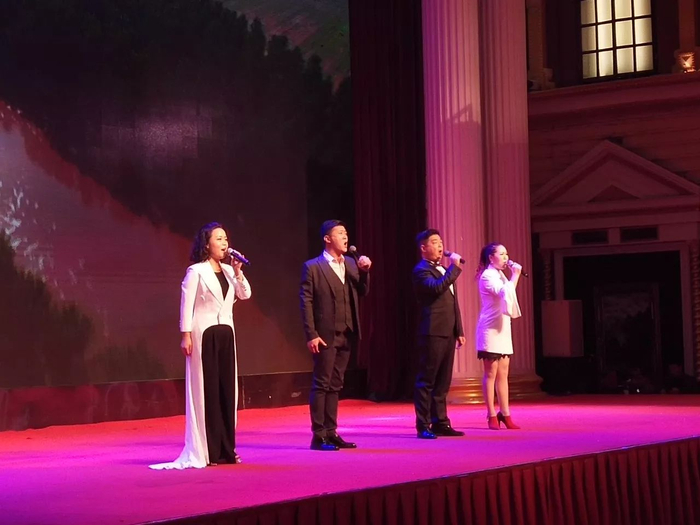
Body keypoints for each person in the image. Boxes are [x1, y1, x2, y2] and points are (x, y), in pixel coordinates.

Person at [150, 222, 252, 469]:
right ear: (207, 244)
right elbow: (186, 304)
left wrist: (238, 272)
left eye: (225, 239)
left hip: (226, 333)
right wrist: (185, 335)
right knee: (208, 392)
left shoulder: (229, 271)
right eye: (219, 239)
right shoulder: (196, 271)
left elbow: (245, 294)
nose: (224, 243)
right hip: (204, 334)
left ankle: (227, 449)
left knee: (227, 390)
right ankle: (210, 450)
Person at [299, 220, 371, 451]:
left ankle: (331, 432)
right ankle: (318, 435)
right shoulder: (313, 267)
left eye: (346, 233)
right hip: (325, 335)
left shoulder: (350, 263)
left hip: (347, 332)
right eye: (340, 233)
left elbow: (362, 291)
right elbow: (306, 303)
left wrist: (365, 272)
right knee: (322, 383)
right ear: (327, 239)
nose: (345, 237)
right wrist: (311, 334)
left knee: (335, 384)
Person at [412, 229, 466, 439]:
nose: (440, 246)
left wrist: (459, 329)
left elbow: (453, 303)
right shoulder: (421, 270)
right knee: (427, 380)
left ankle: (441, 422)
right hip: (432, 331)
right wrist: (454, 268)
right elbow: (436, 288)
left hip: (448, 331)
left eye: (441, 242)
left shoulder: (444, 270)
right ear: (423, 248)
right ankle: (423, 424)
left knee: (443, 381)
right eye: (435, 242)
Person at [475, 242, 522, 430]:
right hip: (490, 329)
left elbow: (510, 295)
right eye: (501, 254)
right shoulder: (487, 276)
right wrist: (515, 275)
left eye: (506, 254)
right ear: (491, 257)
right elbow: (504, 293)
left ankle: (505, 412)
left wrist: (513, 276)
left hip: (503, 328)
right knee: (491, 373)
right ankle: (491, 414)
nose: (505, 258)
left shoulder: (501, 275)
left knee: (504, 373)